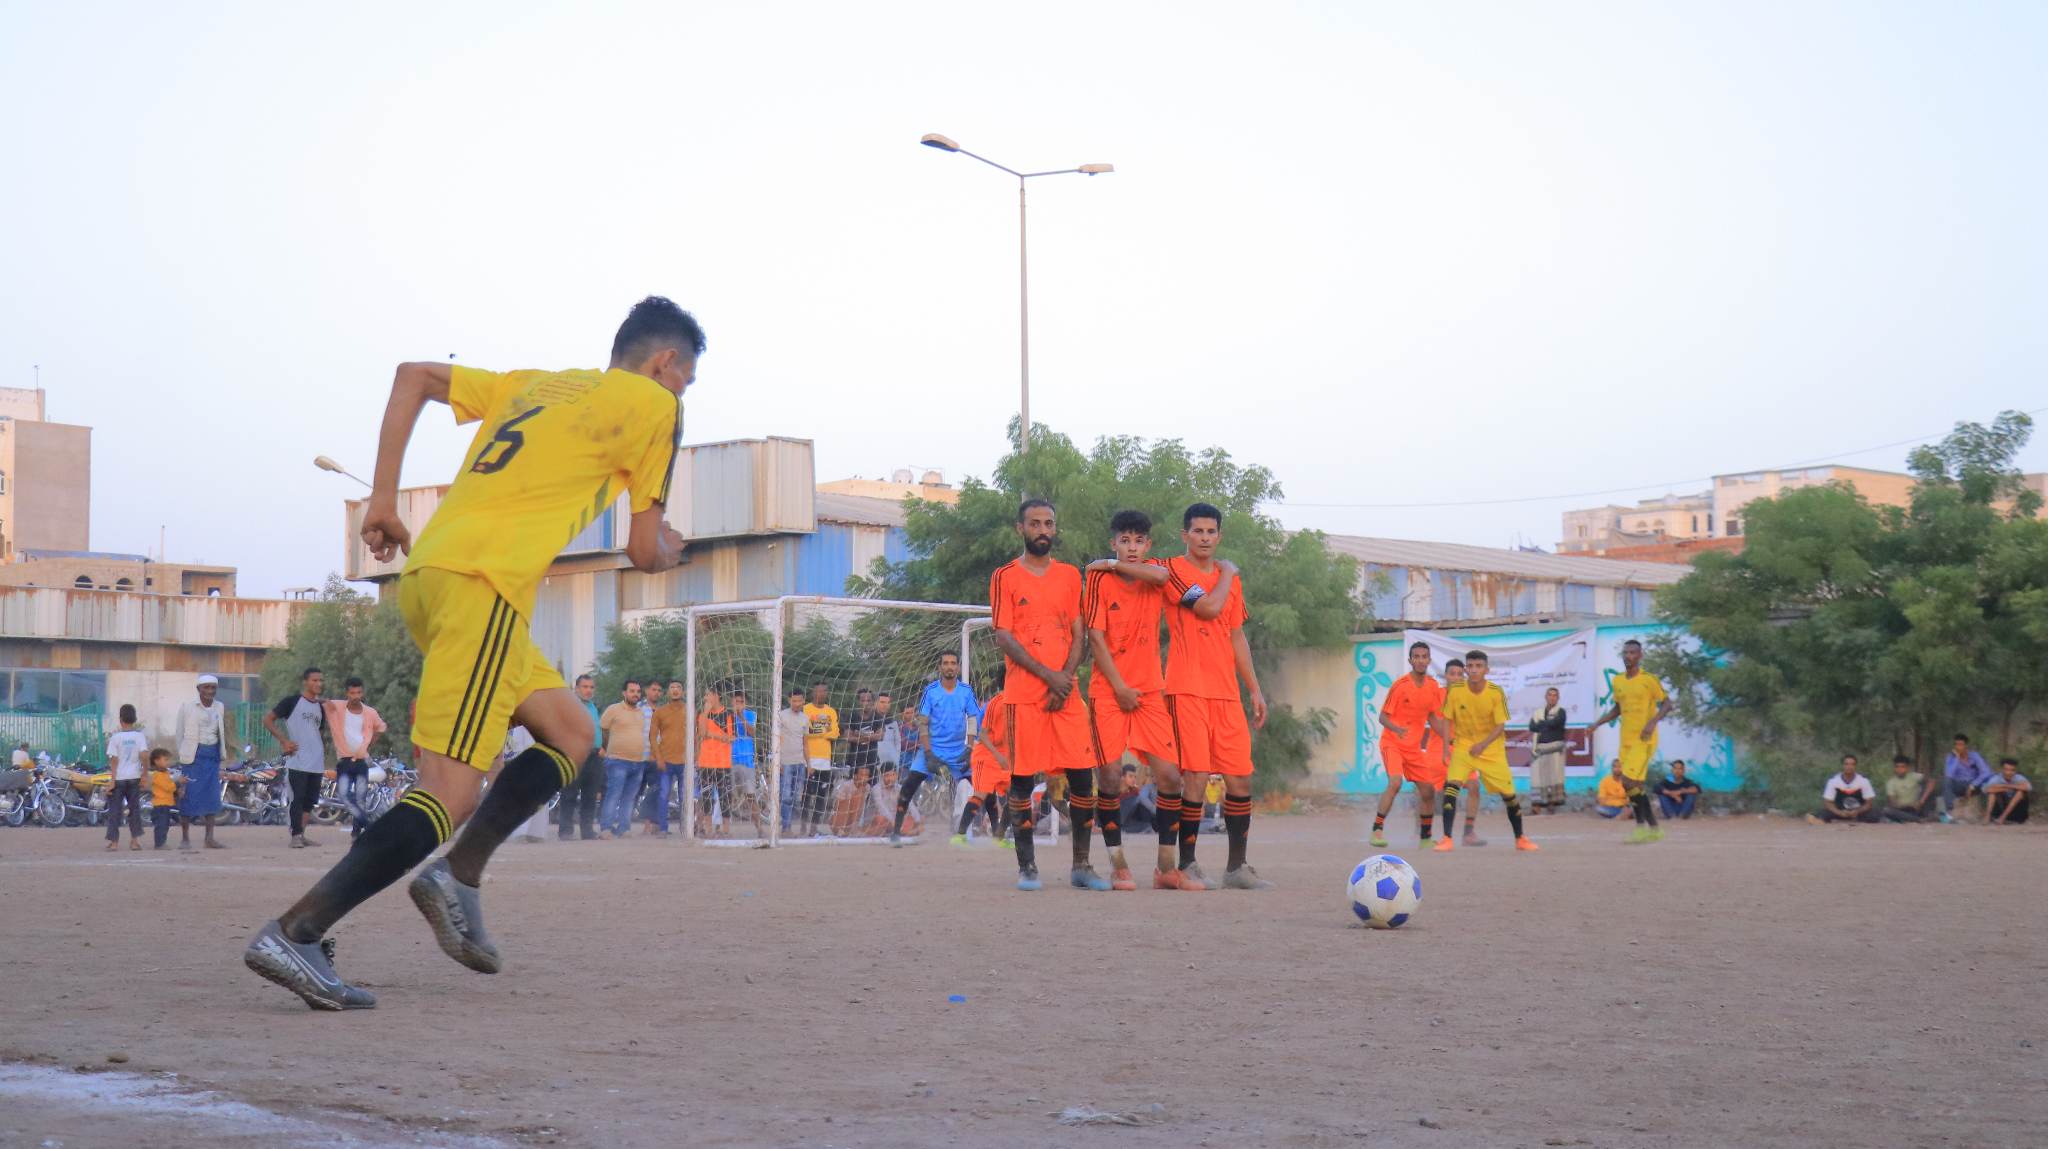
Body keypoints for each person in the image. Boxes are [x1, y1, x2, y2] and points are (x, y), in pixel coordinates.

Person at [244, 296, 697, 1010]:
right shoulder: (656, 405)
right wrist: (669, 551)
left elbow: (412, 375)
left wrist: (383, 498)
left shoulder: (539, 383)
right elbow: (644, 546)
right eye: (685, 379)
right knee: (450, 793)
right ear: (666, 361)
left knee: (574, 733)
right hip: (485, 586)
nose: (680, 394)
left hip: (433, 575)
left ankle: (458, 875)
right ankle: (299, 929)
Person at [1159, 502, 1275, 889]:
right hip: (1186, 687)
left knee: (1240, 778)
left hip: (1226, 694)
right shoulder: (1174, 570)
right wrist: (1226, 572)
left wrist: (1255, 689)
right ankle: (1188, 864)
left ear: (1219, 536)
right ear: (1185, 535)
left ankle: (1237, 868)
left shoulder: (1231, 583)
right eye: (1198, 531)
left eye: (1211, 532)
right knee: (1193, 777)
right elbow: (1208, 608)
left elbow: (1236, 635)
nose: (1205, 538)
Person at [988, 498, 1094, 892]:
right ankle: (1027, 867)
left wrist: (1065, 680)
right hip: (1024, 694)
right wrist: (1050, 677)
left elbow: (1080, 633)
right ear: (1021, 529)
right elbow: (1003, 636)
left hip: (1067, 695)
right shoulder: (1005, 576)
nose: (1043, 530)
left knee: (1082, 778)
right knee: (1021, 779)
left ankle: (1082, 865)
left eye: (1049, 523)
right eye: (1035, 523)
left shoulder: (1070, 576)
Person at [1083, 509, 1187, 889]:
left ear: (1148, 545)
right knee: (1109, 776)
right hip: (1109, 692)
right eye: (1123, 541)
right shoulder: (1097, 581)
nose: (1131, 548)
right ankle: (1118, 862)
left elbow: (1162, 575)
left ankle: (1165, 866)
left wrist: (1111, 563)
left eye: (1138, 541)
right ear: (1114, 541)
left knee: (1170, 776)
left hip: (1150, 692)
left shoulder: (1154, 571)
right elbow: (1095, 639)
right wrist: (1120, 688)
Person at [1435, 650, 1538, 852]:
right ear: (1466, 669)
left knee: (1509, 795)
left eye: (1478, 666)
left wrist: (1482, 745)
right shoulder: (1455, 691)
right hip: (1464, 747)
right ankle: (1447, 838)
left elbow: (1500, 726)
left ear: (1486, 669)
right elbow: (1447, 719)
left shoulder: (1495, 692)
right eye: (1471, 666)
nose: (1474, 670)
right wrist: (1447, 748)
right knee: (1451, 787)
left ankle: (1520, 839)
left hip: (1491, 750)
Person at [1587, 639, 1673, 844]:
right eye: (1626, 653)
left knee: (1627, 782)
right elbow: (1617, 709)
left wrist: (1652, 722)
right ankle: (1653, 829)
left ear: (1640, 656)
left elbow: (1668, 703)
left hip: (1644, 740)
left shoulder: (1649, 680)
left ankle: (1641, 827)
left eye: (1633, 653)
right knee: (1634, 787)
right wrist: (1597, 724)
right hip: (1626, 739)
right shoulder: (1618, 681)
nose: (1628, 656)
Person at [265, 667, 332, 849]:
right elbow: (268, 720)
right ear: (305, 682)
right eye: (315, 680)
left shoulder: (320, 707)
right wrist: (284, 741)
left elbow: (319, 732)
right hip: (298, 761)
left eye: (321, 680)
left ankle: (302, 834)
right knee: (298, 798)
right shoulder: (292, 702)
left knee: (310, 801)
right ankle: (295, 835)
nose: (319, 684)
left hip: (316, 762)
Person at [174, 675, 234, 851]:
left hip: (212, 756)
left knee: (212, 797)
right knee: (188, 796)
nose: (210, 691)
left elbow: (220, 732)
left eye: (213, 688)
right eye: (206, 688)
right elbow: (179, 734)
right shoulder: (187, 707)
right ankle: (185, 839)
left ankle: (209, 838)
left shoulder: (219, 707)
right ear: (198, 689)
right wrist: (184, 755)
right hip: (193, 757)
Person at [324, 677, 387, 842]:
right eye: (352, 693)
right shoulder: (337, 708)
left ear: (362, 692)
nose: (355, 696)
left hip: (361, 761)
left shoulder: (370, 712)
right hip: (344, 760)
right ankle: (369, 825)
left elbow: (381, 728)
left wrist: (369, 745)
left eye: (358, 692)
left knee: (360, 797)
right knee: (344, 795)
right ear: (347, 693)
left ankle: (356, 833)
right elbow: (322, 703)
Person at [1436, 659, 1486, 846]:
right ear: (1446, 676)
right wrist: (1446, 739)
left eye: (1459, 674)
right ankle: (1421, 832)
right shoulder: (1437, 695)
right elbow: (1432, 719)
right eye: (1452, 674)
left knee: (1474, 786)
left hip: (1462, 750)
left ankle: (1468, 833)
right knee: (1426, 791)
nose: (1456, 678)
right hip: (1438, 748)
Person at [955, 684, 1012, 844]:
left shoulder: (1017, 704)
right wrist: (970, 750)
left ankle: (998, 835)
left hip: (1003, 756)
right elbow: (982, 734)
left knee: (1015, 795)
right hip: (986, 755)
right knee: (982, 794)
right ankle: (959, 835)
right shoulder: (993, 705)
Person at [598, 681, 653, 839]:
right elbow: (604, 730)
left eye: (637, 691)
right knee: (613, 794)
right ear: (624, 693)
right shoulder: (613, 709)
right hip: (617, 760)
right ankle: (606, 829)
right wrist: (607, 748)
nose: (635, 694)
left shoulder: (642, 713)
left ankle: (624, 828)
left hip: (638, 761)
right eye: (631, 691)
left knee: (629, 798)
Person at [558, 675, 606, 840]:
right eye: (585, 687)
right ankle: (565, 830)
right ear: (576, 688)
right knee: (570, 793)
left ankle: (587, 831)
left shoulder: (593, 707)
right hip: (575, 755)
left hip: (594, 756)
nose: (588, 690)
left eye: (591, 687)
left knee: (590, 795)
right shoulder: (570, 706)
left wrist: (601, 747)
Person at [103, 704, 149, 852]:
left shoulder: (115, 738)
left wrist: (112, 779)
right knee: (134, 809)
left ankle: (114, 842)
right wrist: (145, 774)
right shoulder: (139, 736)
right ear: (134, 719)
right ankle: (134, 841)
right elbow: (144, 756)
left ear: (120, 719)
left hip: (119, 779)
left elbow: (114, 760)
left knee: (115, 810)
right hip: (134, 778)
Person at [649, 680, 690, 837]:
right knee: (663, 794)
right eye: (672, 687)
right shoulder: (660, 712)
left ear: (683, 692)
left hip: (685, 760)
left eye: (678, 687)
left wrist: (695, 754)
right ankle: (663, 828)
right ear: (667, 692)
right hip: (666, 760)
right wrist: (658, 757)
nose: (675, 690)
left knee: (684, 796)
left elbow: (696, 734)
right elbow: (652, 736)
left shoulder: (689, 710)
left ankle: (685, 828)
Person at [694, 688, 735, 837]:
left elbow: (731, 738)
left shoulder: (728, 714)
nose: (705, 697)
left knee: (725, 796)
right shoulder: (702, 715)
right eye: (705, 695)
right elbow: (701, 733)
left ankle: (725, 829)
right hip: (705, 761)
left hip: (723, 762)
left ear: (717, 696)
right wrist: (705, 713)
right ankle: (708, 829)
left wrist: (713, 735)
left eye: (708, 694)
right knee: (706, 797)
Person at [801, 682, 840, 836]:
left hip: (825, 760)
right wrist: (824, 730)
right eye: (819, 691)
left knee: (821, 797)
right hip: (808, 759)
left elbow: (835, 733)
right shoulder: (805, 709)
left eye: (825, 691)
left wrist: (817, 731)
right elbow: (805, 733)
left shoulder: (831, 711)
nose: (822, 694)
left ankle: (814, 827)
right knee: (807, 795)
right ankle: (803, 826)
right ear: (813, 693)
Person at [725, 689, 762, 836]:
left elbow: (752, 733)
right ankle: (722, 829)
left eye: (741, 702)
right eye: (736, 702)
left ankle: (759, 828)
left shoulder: (751, 715)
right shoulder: (726, 716)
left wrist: (740, 716)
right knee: (726, 796)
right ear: (731, 703)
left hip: (747, 761)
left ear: (745, 703)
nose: (738, 704)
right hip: (730, 760)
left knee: (751, 796)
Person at [1527, 687, 1567, 814]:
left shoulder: (1561, 712)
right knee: (1538, 777)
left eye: (1555, 695)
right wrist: (1547, 724)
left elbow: (1556, 723)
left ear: (1558, 698)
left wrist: (1542, 724)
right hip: (1539, 749)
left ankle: (1551, 803)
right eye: (1550, 695)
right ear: (1546, 697)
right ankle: (1537, 805)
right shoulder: (1538, 712)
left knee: (1553, 776)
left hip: (1555, 748)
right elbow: (1532, 727)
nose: (1552, 697)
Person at [1808, 755, 1879, 824]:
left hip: (1858, 812)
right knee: (1823, 813)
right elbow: (1827, 803)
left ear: (1855, 766)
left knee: (1874, 815)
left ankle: (1853, 819)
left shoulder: (1864, 781)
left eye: (1852, 764)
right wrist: (1840, 812)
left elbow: (1869, 803)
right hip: (1839, 811)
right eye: (1846, 764)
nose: (1849, 767)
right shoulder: (1833, 781)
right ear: (1842, 766)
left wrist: (1857, 811)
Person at [776, 688, 810, 833]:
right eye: (794, 701)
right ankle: (786, 827)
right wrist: (777, 761)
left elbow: (805, 743)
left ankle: (786, 822)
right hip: (785, 762)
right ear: (789, 700)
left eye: (799, 701)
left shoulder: (805, 718)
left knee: (796, 798)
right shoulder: (781, 716)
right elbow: (775, 739)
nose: (797, 703)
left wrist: (809, 763)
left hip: (800, 763)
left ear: (803, 701)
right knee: (786, 797)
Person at [1941, 735, 1991, 823]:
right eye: (1956, 745)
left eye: (1961, 745)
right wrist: (1957, 758)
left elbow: (1986, 772)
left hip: (1974, 784)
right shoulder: (1951, 757)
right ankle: (1951, 811)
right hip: (1959, 784)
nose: (1958, 747)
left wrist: (1973, 784)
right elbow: (1949, 774)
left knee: (1988, 783)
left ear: (1966, 746)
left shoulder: (1974, 756)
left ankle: (1988, 814)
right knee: (1946, 781)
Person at [1880, 755, 1935, 823]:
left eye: (1902, 767)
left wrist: (1921, 801)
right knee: (1887, 810)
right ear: (1894, 768)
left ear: (1907, 768)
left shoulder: (1914, 776)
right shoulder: (1891, 782)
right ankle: (1918, 819)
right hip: (1903, 810)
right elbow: (1893, 803)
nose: (1899, 769)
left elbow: (1932, 782)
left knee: (1928, 789)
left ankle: (1926, 815)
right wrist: (1909, 805)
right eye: (1897, 767)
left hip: (1918, 808)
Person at [146, 749, 180, 850]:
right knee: (161, 825)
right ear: (156, 761)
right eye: (165, 760)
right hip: (160, 805)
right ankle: (159, 844)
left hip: (165, 803)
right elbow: (168, 787)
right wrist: (178, 783)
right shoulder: (157, 775)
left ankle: (162, 842)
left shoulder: (165, 773)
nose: (168, 762)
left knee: (165, 825)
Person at [1984, 757, 2031, 825]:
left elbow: (2028, 787)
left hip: (2017, 811)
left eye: (2012, 770)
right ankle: (1987, 816)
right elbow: (1987, 789)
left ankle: (2002, 818)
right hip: (2000, 808)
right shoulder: (1996, 778)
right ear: (2002, 770)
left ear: (2015, 770)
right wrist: (2009, 788)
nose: (2009, 773)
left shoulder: (2019, 778)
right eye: (2006, 770)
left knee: (2020, 792)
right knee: (1992, 793)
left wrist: (2005, 786)